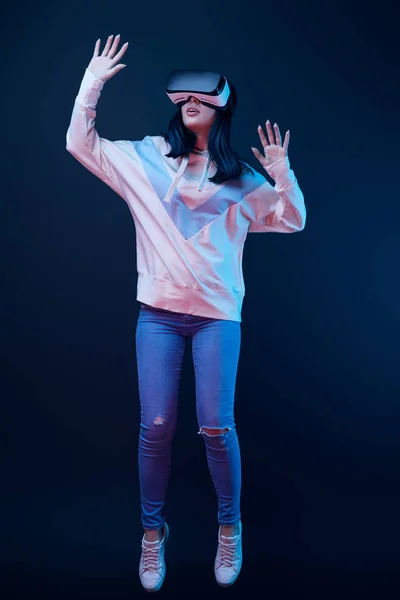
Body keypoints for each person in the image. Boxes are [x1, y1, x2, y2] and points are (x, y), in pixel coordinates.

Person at [66, 34, 306, 593]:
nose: (191, 100)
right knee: (155, 428)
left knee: (217, 428)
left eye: (203, 95)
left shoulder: (245, 181)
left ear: (222, 104)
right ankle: (152, 535)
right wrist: (92, 82)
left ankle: (229, 527)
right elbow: (81, 142)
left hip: (218, 318)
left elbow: (291, 219)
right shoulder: (146, 159)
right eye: (183, 96)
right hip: (159, 316)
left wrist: (282, 171)